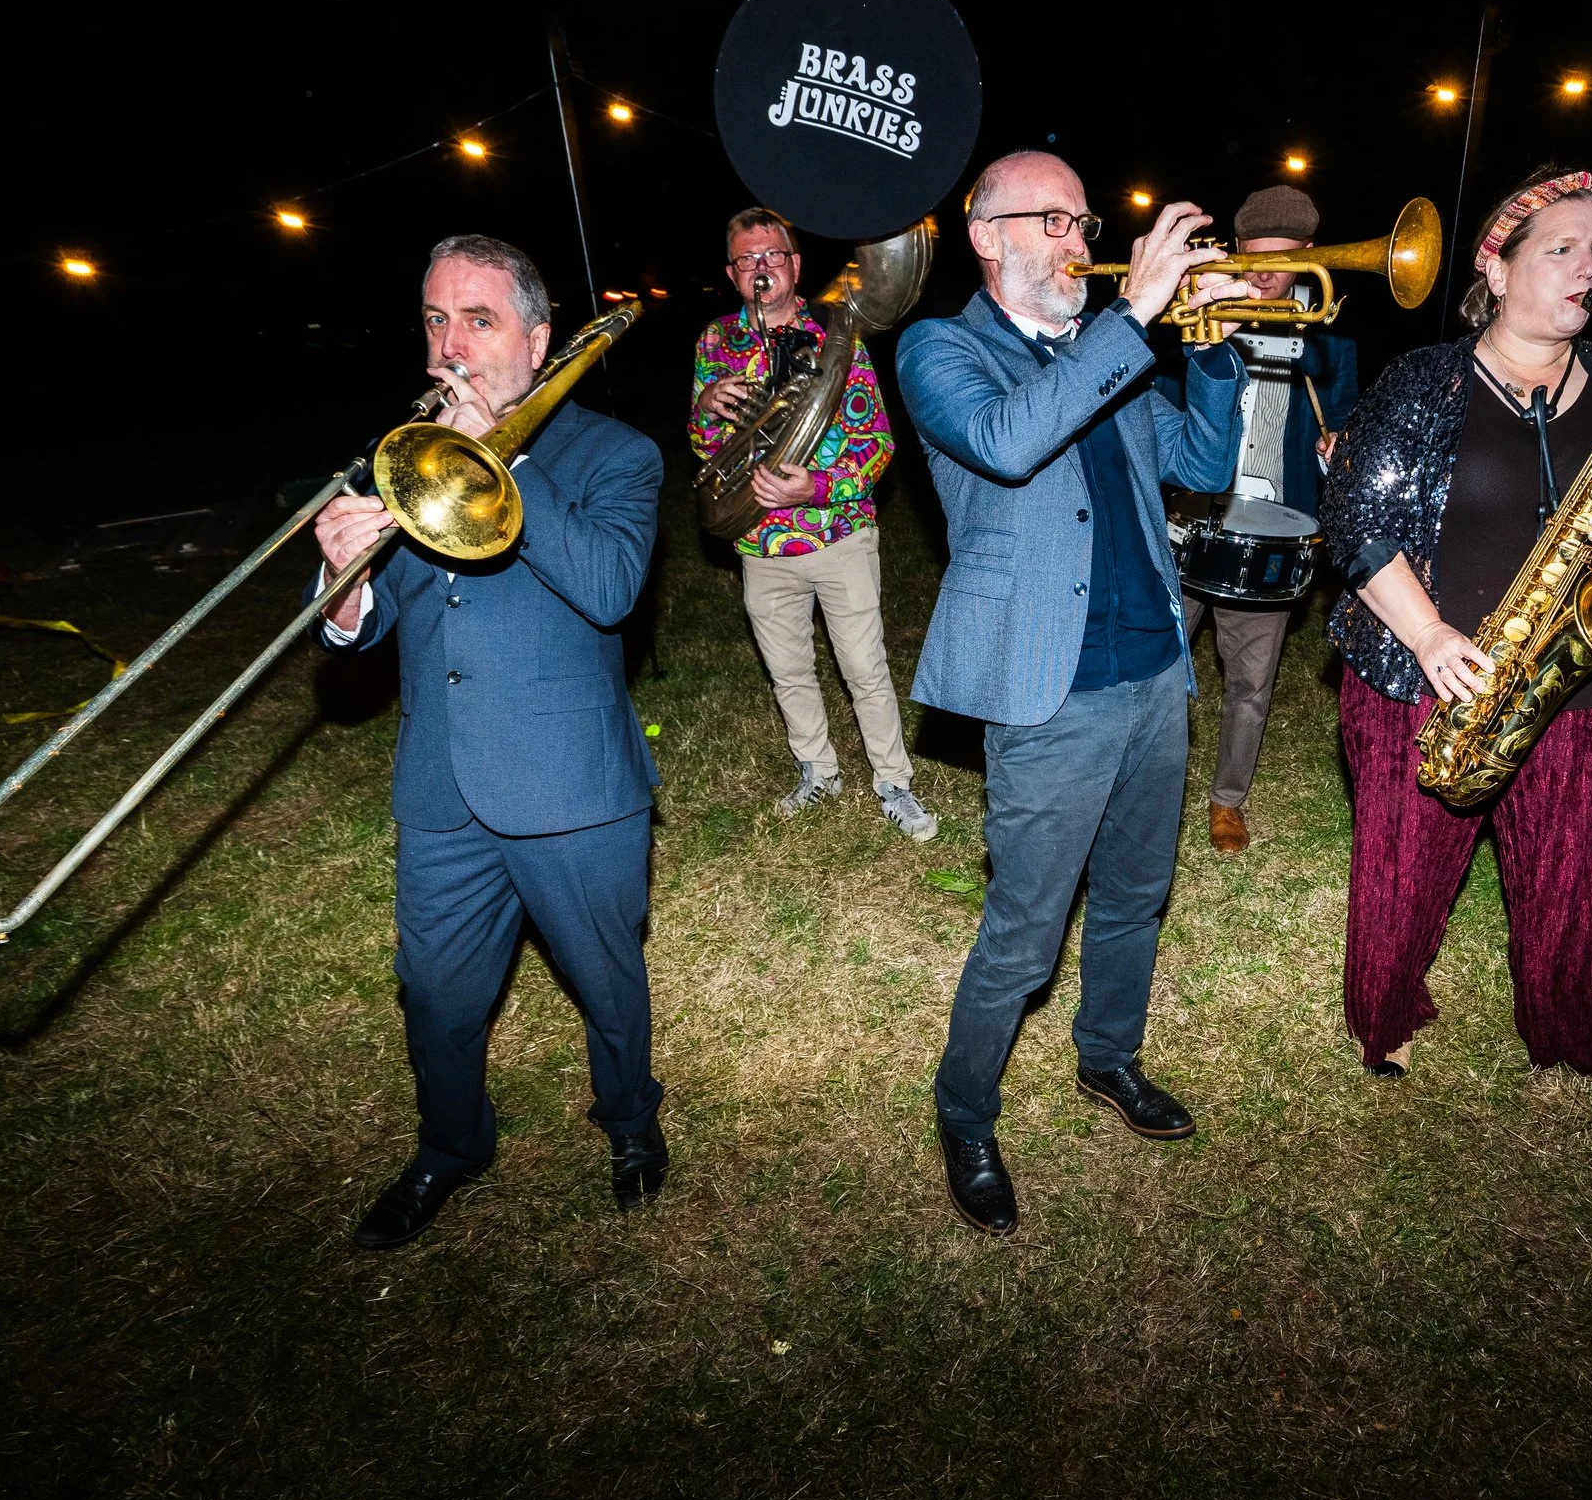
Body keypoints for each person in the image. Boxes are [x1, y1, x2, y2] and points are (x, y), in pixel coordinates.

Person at [894, 150, 1250, 1237]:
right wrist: (1135, 315)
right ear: (986, 236)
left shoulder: (1117, 349)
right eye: (1050, 218)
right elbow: (1006, 441)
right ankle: (964, 1111)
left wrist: (1219, 352)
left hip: (1154, 671)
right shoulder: (938, 347)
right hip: (1046, 688)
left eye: (1081, 217)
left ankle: (1109, 1057)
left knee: (1137, 896)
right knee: (1025, 928)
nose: (1075, 237)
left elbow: (1201, 458)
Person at [1322, 166, 1592, 1088]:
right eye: (1563, 250)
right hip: (1431, 673)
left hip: (1578, 676)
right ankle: (1385, 1015)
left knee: (1574, 876)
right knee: (1404, 869)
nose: (1591, 268)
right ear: (1497, 272)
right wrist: (1426, 637)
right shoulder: (1422, 380)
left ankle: (1570, 1025)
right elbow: (1356, 519)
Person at [312, 233, 668, 1248]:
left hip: (571, 783)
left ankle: (631, 1122)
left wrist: (501, 460)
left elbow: (608, 588)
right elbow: (360, 626)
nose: (451, 345)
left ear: (539, 336)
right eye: (436, 319)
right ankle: (450, 1145)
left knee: (606, 981)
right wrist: (345, 587)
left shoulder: (614, 453)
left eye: (479, 319)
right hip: (442, 783)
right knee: (434, 994)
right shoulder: (398, 457)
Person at [687, 207, 937, 841]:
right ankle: (817, 771)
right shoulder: (716, 343)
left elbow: (878, 444)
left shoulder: (837, 335)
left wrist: (815, 486)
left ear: (796, 265)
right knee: (788, 668)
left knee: (864, 666)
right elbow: (701, 447)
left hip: (838, 534)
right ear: (732, 273)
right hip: (760, 542)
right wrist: (706, 408)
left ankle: (892, 782)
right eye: (748, 260)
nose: (761, 267)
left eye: (772, 255)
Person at [1183, 184, 1359, 853]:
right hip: (1193, 511)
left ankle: (1228, 799)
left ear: (1312, 256)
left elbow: (1342, 413)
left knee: (1251, 679)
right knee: (1154, 661)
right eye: (1251, 258)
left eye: (1280, 261)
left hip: (1274, 526)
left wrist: (1336, 443)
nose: (1262, 273)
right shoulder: (1201, 308)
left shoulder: (1330, 330)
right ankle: (1148, 775)